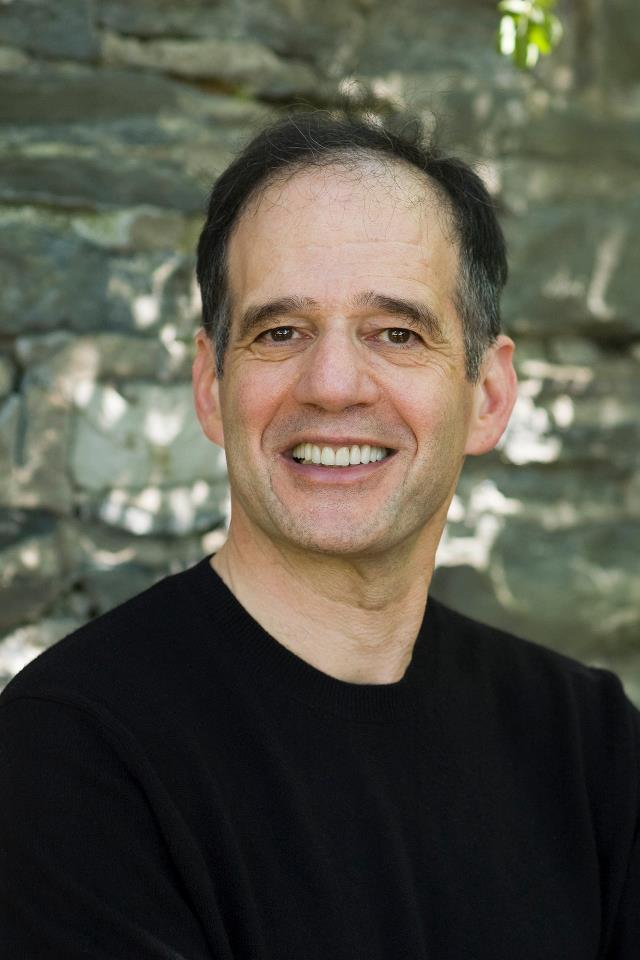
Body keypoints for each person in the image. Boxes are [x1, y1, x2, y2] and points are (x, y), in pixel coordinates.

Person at [1, 111, 638, 959]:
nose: (334, 385)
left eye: (397, 333)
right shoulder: (73, 752)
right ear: (210, 386)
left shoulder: (588, 746)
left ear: (487, 394)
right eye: (281, 333)